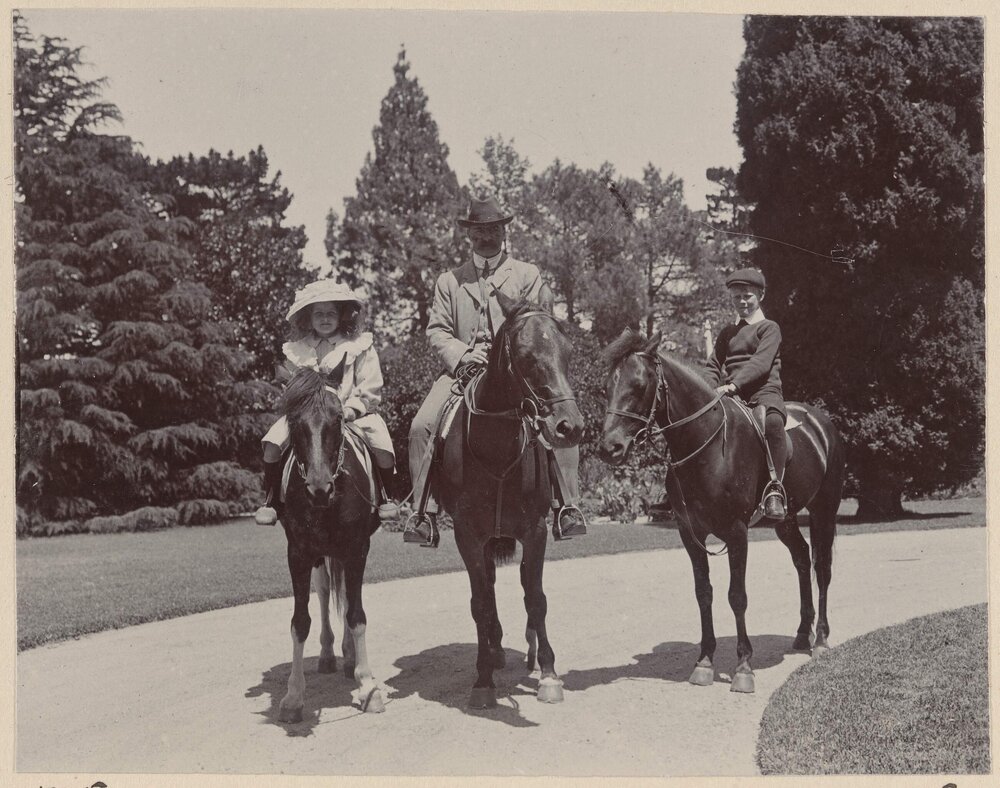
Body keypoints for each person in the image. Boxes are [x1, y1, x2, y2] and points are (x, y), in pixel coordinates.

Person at [403, 194, 586, 546]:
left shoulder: (527, 275)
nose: (486, 237)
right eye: (479, 231)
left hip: (518, 372)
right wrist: (461, 355)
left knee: (558, 418)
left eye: (493, 230)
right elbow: (438, 330)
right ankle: (422, 514)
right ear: (469, 235)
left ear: (504, 231)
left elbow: (541, 324)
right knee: (421, 425)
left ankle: (568, 507)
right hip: (462, 372)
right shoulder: (449, 281)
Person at [255, 279, 398, 526]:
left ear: (341, 316)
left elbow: (370, 385)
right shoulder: (296, 350)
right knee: (272, 443)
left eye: (331, 313)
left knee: (382, 446)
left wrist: (353, 408)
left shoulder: (360, 345)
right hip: (307, 416)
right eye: (318, 314)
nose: (324, 319)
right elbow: (290, 386)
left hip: (353, 413)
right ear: (307, 318)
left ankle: (385, 495)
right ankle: (271, 500)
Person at [704, 267, 788, 519]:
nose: (741, 301)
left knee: (772, 423)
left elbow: (760, 364)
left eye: (747, 296)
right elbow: (712, 365)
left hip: (764, 392)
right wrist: (706, 391)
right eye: (736, 296)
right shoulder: (727, 333)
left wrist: (733, 385)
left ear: (760, 295)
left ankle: (775, 488)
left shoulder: (769, 328)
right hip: (733, 397)